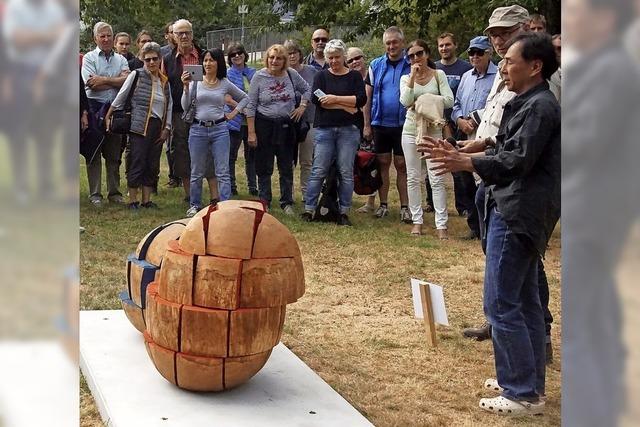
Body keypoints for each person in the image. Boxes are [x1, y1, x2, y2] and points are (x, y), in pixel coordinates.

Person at [419, 33, 560, 416]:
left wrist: (467, 164)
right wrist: (468, 148)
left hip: (518, 213)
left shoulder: (541, 106)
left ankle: (521, 392)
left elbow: (518, 161)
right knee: (526, 300)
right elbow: (506, 145)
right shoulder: (527, 101)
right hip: (513, 207)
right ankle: (524, 380)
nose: (504, 67)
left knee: (502, 301)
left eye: (511, 61)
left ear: (535, 67)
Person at [461, 8, 556, 367]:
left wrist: (471, 159)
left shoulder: (539, 85)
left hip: (520, 197)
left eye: (505, 33)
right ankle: (524, 370)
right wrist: (478, 145)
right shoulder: (511, 76)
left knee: (517, 285)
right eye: (493, 34)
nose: (497, 42)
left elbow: (527, 151)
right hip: (498, 186)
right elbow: (500, 129)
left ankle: (527, 364)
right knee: (509, 280)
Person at [301, 39, 366, 226]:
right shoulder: (321, 76)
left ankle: (344, 210)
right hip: (325, 129)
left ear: (344, 56)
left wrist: (335, 99)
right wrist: (346, 106)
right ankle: (309, 208)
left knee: (345, 171)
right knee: (318, 169)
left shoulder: (354, 77)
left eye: (337, 57)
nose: (334, 61)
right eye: (331, 58)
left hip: (348, 130)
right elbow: (317, 98)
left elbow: (360, 100)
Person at [181, 48, 248, 217]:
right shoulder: (196, 81)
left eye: (211, 60)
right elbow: (185, 105)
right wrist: (186, 87)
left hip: (219, 129)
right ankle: (194, 205)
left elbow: (246, 98)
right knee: (196, 170)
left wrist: (234, 113)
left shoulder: (224, 82)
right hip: (198, 129)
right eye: (205, 60)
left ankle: (224, 205)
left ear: (218, 62)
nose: (208, 63)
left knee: (223, 171)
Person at [105, 42, 172, 210]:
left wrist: (167, 128)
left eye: (154, 59)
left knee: (152, 163)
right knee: (137, 161)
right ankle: (133, 200)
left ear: (159, 59)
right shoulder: (136, 75)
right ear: (143, 59)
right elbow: (122, 95)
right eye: (147, 59)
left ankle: (146, 200)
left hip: (158, 126)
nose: (151, 62)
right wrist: (109, 114)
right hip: (139, 125)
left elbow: (168, 106)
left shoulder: (165, 81)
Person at [246, 44, 311, 214]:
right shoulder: (259, 77)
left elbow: (307, 89)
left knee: (286, 165)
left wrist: (302, 106)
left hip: (286, 125)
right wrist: (251, 132)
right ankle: (264, 200)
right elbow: (251, 105)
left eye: (279, 58)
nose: (275, 61)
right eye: (272, 57)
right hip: (264, 125)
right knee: (263, 165)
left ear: (284, 61)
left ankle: (286, 201)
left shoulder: (291, 74)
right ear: (267, 59)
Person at [399, 40, 453, 238]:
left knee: (436, 178)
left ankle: (441, 225)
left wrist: (422, 102)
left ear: (427, 54)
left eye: (419, 53)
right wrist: (413, 76)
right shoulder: (406, 77)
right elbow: (404, 101)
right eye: (411, 56)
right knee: (413, 177)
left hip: (434, 130)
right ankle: (417, 221)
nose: (415, 58)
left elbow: (448, 100)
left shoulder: (439, 75)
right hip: (411, 130)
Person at [162, 19, 216, 203]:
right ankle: (190, 194)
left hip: (203, 109)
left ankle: (214, 194)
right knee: (182, 150)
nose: (184, 36)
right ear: (174, 36)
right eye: (179, 33)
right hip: (179, 112)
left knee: (207, 150)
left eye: (187, 32)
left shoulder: (204, 55)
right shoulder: (167, 59)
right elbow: (164, 88)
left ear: (192, 34)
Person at [450, 36, 498, 239]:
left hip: (486, 134)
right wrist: (460, 119)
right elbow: (456, 103)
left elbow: (496, 105)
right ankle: (474, 226)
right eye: (471, 53)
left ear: (489, 53)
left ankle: (488, 225)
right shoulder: (466, 77)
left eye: (479, 52)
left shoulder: (499, 76)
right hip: (465, 132)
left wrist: (476, 119)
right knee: (464, 179)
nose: (475, 56)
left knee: (484, 180)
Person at [362, 26, 411, 222]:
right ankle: (383, 205)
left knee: (402, 165)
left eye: (395, 42)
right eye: (388, 43)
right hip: (380, 123)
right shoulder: (375, 65)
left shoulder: (411, 63)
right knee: (382, 164)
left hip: (404, 124)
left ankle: (405, 207)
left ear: (402, 43)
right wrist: (367, 124)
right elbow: (367, 96)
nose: (391, 46)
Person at [81, 21, 130, 207]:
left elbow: (127, 82)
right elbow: (90, 83)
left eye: (109, 35)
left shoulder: (121, 59)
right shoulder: (89, 58)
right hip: (94, 109)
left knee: (114, 154)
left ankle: (114, 193)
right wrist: (116, 81)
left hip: (115, 110)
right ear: (95, 38)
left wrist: (103, 80)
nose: (106, 38)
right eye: (102, 35)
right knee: (93, 153)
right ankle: (95, 194)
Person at [434, 32, 474, 219]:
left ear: (455, 45)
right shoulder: (433, 68)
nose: (444, 48)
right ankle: (431, 202)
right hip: (436, 122)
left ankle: (464, 206)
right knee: (434, 162)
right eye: (441, 45)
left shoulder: (466, 68)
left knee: (459, 166)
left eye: (447, 45)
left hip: (459, 123)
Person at [285, 39, 318, 202]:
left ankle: (306, 193)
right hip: (288, 121)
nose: (291, 56)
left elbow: (316, 92)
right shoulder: (283, 73)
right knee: (289, 160)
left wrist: (304, 104)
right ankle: (288, 194)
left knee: (307, 160)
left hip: (309, 119)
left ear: (300, 54)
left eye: (294, 52)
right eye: (288, 53)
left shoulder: (311, 71)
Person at [225, 42, 257, 196]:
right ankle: (231, 186)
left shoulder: (253, 72)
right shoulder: (227, 74)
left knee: (251, 156)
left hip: (251, 120)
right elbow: (227, 97)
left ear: (244, 54)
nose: (237, 56)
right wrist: (241, 108)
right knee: (231, 155)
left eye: (239, 53)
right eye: (233, 54)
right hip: (234, 119)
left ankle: (253, 186)